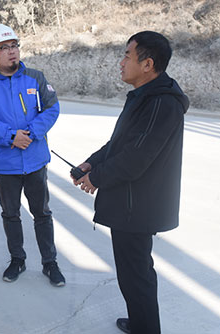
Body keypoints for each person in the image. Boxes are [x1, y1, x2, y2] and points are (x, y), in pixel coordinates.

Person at [72, 31, 189, 334]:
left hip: (137, 206)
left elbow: (137, 156)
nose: (121, 62)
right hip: (129, 202)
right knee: (132, 273)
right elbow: (120, 144)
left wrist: (96, 178)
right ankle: (140, 323)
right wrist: (91, 163)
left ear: (148, 64)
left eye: (127, 55)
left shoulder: (162, 103)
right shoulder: (144, 97)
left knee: (137, 275)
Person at [0, 24, 65, 287]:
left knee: (42, 213)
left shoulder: (36, 77)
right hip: (6, 163)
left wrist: (31, 133)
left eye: (14, 45)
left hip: (35, 160)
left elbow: (52, 108)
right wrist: (11, 136)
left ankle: (50, 263)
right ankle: (17, 259)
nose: (11, 51)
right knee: (10, 214)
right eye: (4, 48)